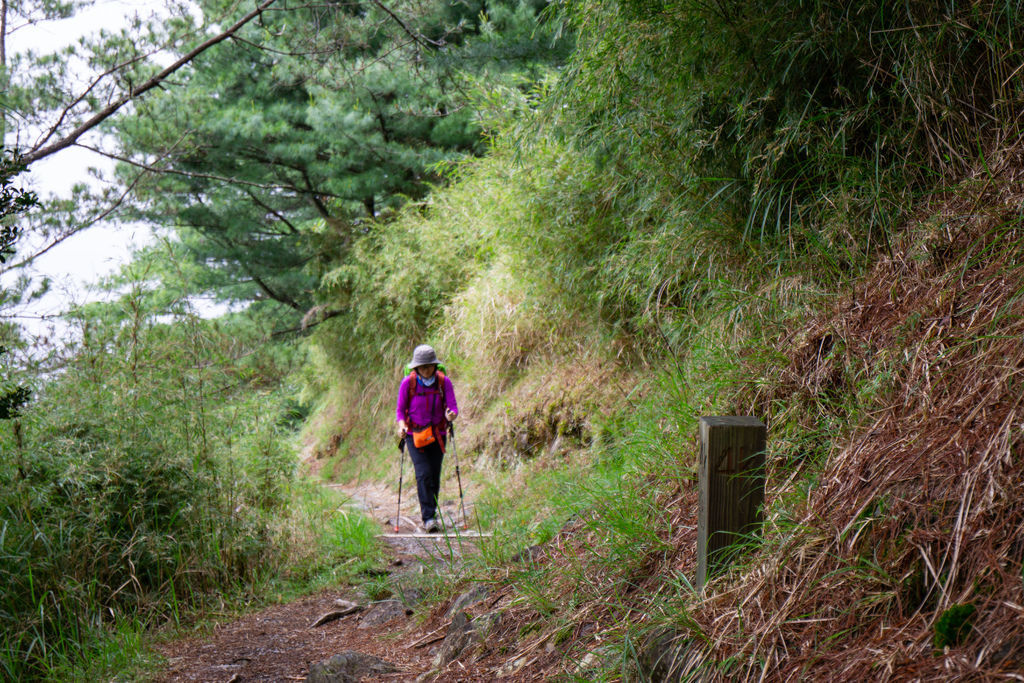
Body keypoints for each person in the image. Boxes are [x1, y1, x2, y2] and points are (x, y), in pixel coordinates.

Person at [396, 344, 458, 532]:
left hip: (437, 435)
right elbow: (400, 410)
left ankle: (432, 511)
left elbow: (453, 407)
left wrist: (451, 415)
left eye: (429, 365)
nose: (426, 369)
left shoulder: (443, 382)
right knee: (423, 474)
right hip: (414, 436)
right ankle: (428, 518)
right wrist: (402, 425)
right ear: (416, 367)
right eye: (422, 366)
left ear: (434, 365)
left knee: (434, 475)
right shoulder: (408, 383)